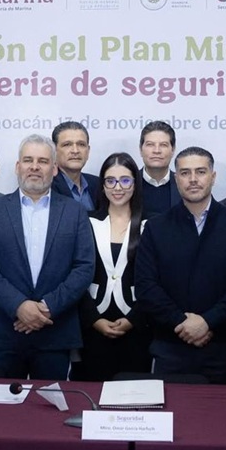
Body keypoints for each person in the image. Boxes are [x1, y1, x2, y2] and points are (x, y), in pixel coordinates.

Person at [136, 147, 226, 383]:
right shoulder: (156, 228)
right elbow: (146, 286)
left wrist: (208, 322)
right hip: (170, 347)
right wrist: (181, 322)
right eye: (185, 173)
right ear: (176, 178)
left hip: (223, 348)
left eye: (201, 172)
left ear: (213, 177)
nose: (193, 179)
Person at [0, 134, 94, 380]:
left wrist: (47, 308)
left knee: (50, 403)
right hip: (6, 332)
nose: (35, 167)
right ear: (18, 167)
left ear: (54, 168)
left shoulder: (75, 211)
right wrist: (19, 306)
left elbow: (84, 267)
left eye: (43, 161)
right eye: (28, 160)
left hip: (55, 332)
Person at [74, 152, 152, 381]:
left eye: (125, 180)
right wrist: (94, 319)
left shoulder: (152, 224)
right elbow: (74, 275)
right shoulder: (86, 221)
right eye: (110, 180)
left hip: (138, 325)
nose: (118, 187)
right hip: (92, 325)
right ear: (102, 185)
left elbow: (157, 280)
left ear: (135, 184)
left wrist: (133, 320)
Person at [51, 121, 101, 211]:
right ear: (54, 151)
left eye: (81, 144)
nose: (75, 151)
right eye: (67, 144)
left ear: (88, 151)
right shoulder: (46, 187)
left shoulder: (99, 184)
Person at [138, 120, 180, 219]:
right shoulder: (128, 185)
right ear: (140, 149)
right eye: (150, 144)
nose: (156, 151)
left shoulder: (184, 184)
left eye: (163, 145)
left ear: (173, 150)